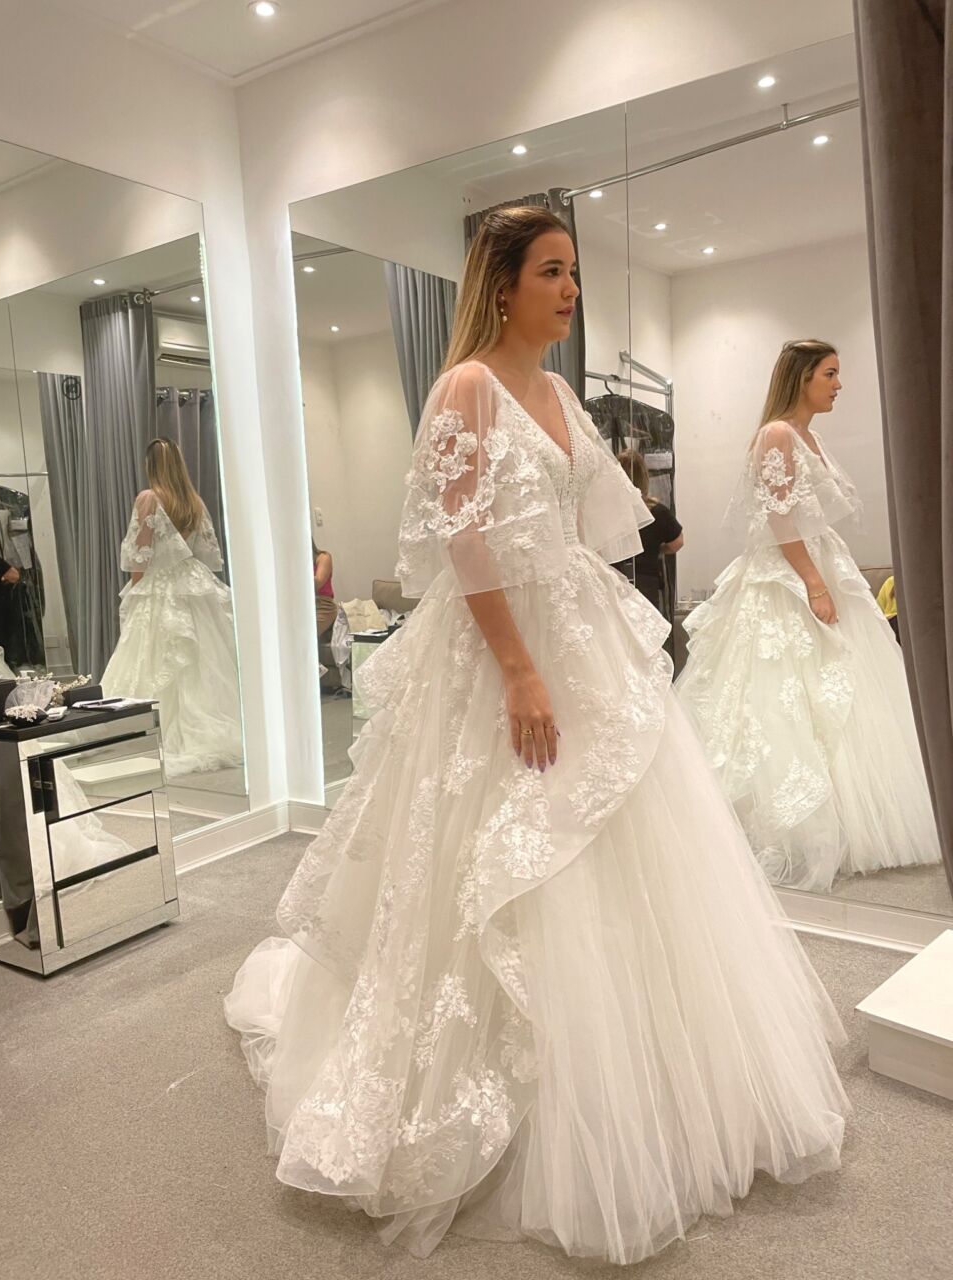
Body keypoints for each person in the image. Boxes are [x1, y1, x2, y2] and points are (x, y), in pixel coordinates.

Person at [225, 211, 848, 1265]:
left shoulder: (558, 393)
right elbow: (463, 541)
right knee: (495, 849)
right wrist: (519, 667)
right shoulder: (465, 386)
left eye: (573, 272)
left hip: (575, 621)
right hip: (495, 645)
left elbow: (596, 520)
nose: (570, 290)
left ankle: (631, 1078)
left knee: (618, 846)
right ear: (502, 284)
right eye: (551, 272)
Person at [677, 340, 940, 892]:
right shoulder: (776, 434)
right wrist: (813, 583)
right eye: (830, 374)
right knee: (782, 693)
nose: (838, 385)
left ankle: (850, 818)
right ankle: (788, 826)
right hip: (789, 575)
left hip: (819, 562)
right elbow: (780, 519)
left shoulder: (807, 436)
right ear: (801, 377)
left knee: (839, 686)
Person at [102, 438, 242, 779]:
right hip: (193, 583)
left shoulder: (149, 498)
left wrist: (136, 591)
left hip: (159, 584)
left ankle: (154, 731)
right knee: (203, 658)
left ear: (151, 465)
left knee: (153, 654)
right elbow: (205, 553)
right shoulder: (194, 501)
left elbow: (141, 553)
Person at [611, 448, 683, 612]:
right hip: (647, 581)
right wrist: (658, 549)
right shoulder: (657, 511)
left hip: (615, 579)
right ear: (644, 477)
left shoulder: (608, 512)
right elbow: (677, 543)